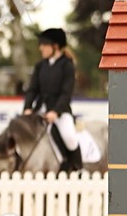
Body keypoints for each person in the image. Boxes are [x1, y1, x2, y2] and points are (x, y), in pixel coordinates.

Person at [22, 28, 82, 172]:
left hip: (60, 112)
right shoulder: (40, 66)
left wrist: (55, 111)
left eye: (44, 44)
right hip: (40, 110)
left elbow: (66, 93)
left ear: (55, 46)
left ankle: (77, 168)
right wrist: (27, 107)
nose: (40, 47)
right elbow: (32, 89)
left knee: (69, 138)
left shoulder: (67, 65)